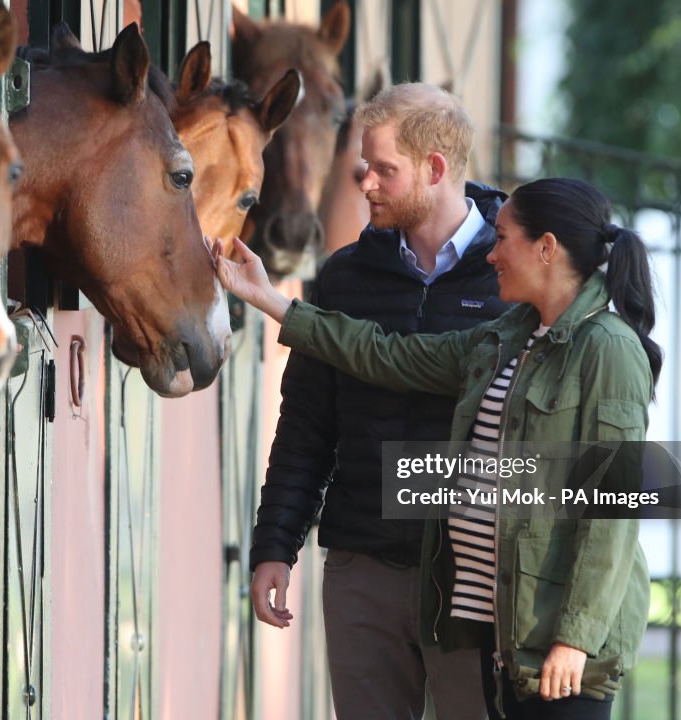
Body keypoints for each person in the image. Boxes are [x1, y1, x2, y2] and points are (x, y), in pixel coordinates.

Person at [215, 176, 660, 720]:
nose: (491, 254)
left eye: (502, 238)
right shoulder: (509, 335)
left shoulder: (608, 349)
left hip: (556, 651)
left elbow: (612, 513)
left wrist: (576, 639)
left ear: (547, 248)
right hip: (498, 636)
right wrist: (269, 300)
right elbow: (387, 355)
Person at [249, 83, 507, 719]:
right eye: (366, 168)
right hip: (364, 570)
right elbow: (306, 425)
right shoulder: (344, 276)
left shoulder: (513, 277)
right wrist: (276, 544)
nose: (364, 185)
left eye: (384, 171)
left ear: (435, 168)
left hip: (474, 580)